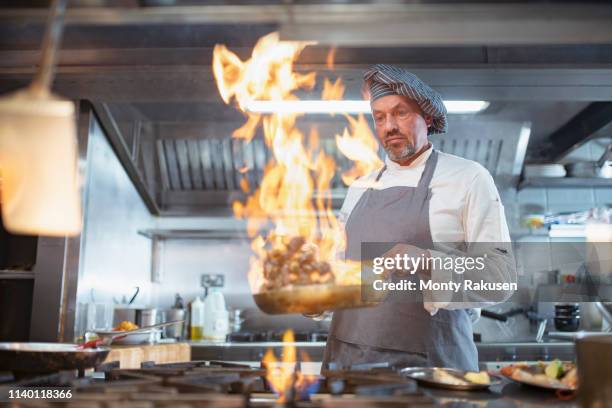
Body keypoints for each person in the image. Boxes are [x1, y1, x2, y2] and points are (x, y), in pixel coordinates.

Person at [319, 64, 516, 371]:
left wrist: (426, 260)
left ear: (427, 117)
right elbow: (340, 279)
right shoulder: (361, 186)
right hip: (350, 372)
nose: (389, 126)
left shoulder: (468, 178)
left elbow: (499, 279)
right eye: (380, 117)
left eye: (400, 113)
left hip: (430, 374)